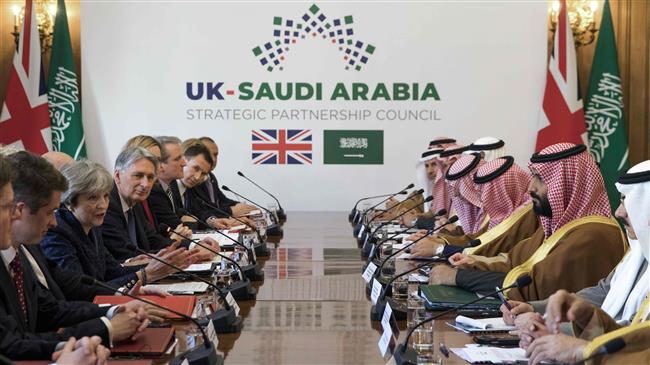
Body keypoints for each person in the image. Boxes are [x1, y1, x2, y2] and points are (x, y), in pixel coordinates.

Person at [427, 143, 626, 302]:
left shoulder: (593, 233)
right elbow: (515, 262)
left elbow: (531, 288)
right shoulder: (560, 224)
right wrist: (472, 263)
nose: (531, 187)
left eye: (541, 179)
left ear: (566, 183)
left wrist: (456, 277)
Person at [0, 151, 148, 360]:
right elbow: (12, 344)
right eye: (50, 212)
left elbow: (49, 308)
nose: (54, 222)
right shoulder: (51, 237)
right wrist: (106, 328)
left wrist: (114, 309)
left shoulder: (24, 251)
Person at [502, 161, 650, 353]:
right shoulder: (638, 250)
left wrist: (551, 330)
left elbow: (639, 334)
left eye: (630, 203)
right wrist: (535, 309)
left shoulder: (595, 232)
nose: (619, 212)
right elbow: (604, 290)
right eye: (621, 201)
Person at [40, 160, 189, 288]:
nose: (103, 205)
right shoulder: (57, 233)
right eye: (93, 198)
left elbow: (112, 270)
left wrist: (162, 264)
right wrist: (145, 274)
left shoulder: (92, 226)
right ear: (69, 201)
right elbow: (80, 290)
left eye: (105, 196)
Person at [198, 136, 256, 217]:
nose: (214, 159)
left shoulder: (211, 177)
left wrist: (244, 207)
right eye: (210, 155)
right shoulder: (194, 180)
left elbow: (223, 201)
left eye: (216, 155)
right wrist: (231, 211)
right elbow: (203, 212)